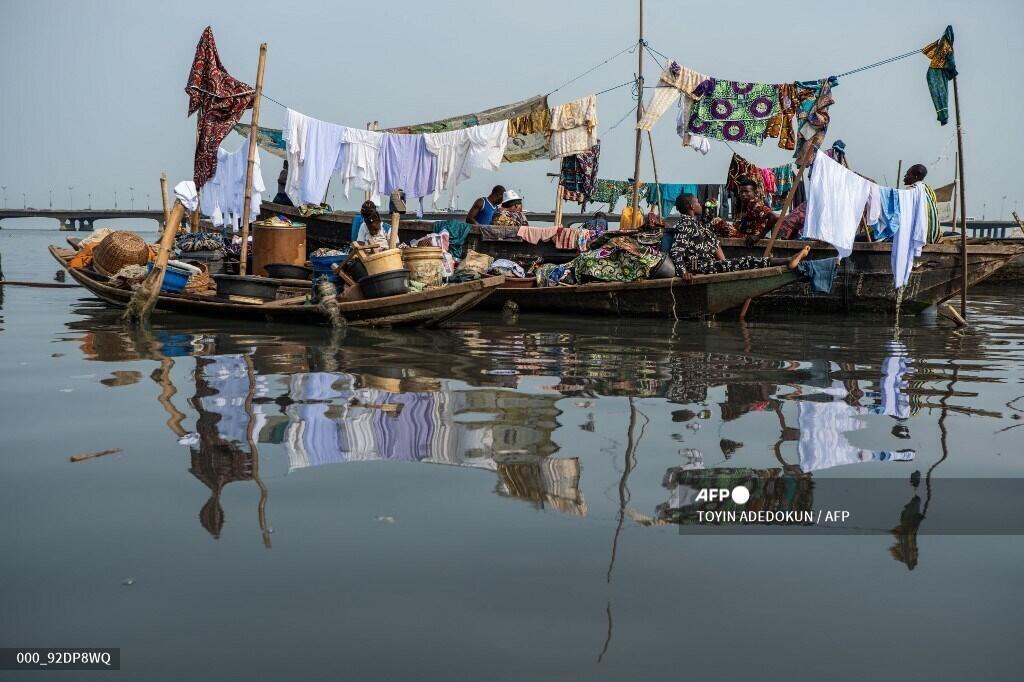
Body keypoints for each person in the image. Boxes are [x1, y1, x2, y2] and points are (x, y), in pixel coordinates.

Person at [670, 193, 810, 281]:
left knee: (742, 260)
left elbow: (711, 241)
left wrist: (724, 264)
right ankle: (787, 260)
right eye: (697, 202)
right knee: (747, 261)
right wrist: (684, 272)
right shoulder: (685, 224)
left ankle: (787, 260)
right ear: (691, 206)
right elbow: (676, 251)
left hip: (707, 264)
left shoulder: (695, 224)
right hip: (700, 267)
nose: (700, 204)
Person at [712, 178, 778, 244]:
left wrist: (759, 236)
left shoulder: (755, 204)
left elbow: (774, 217)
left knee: (716, 221)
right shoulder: (744, 204)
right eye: (741, 192)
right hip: (742, 234)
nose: (743, 194)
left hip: (748, 237)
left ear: (755, 193)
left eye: (746, 192)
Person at [904, 163, 940, 242]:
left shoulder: (911, 190)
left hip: (922, 236)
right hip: (935, 235)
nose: (905, 176)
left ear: (915, 177)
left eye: (908, 174)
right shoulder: (929, 189)